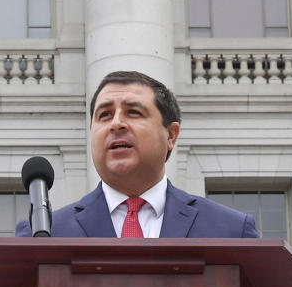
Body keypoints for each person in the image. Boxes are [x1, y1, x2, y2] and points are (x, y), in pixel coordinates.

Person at [16, 70, 258, 238]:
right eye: (104, 115)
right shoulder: (45, 235)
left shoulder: (231, 231)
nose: (116, 124)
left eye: (133, 113)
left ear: (171, 136)